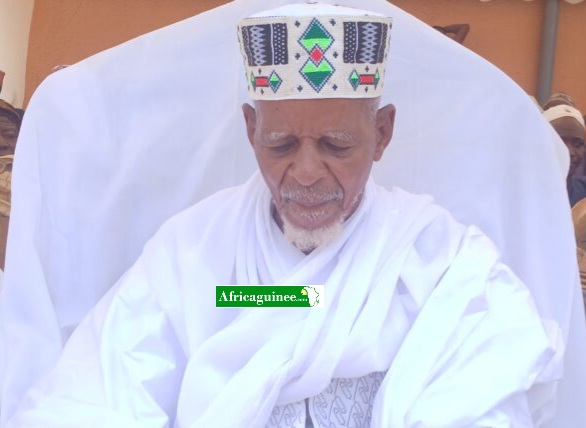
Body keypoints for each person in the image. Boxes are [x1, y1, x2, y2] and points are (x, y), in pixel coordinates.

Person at [1, 0, 584, 427]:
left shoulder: (440, 263)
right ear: (250, 130)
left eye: (336, 145)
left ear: (382, 134)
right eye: (280, 145)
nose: (305, 173)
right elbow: (94, 395)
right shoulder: (195, 254)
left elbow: (484, 393)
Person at [543, 97, 586, 206]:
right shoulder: (522, 194)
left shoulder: (583, 194)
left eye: (578, 144)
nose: (570, 152)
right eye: (560, 143)